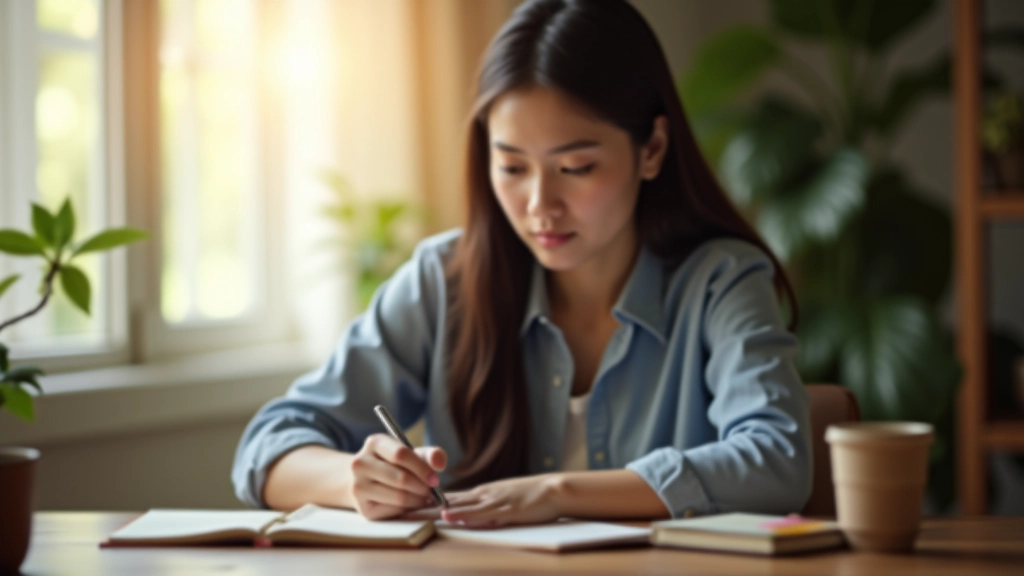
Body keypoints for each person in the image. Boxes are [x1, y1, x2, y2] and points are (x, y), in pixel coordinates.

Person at [232, 0, 812, 527]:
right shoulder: (444, 281)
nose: (540, 206)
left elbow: (777, 460)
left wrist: (557, 493)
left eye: (576, 167)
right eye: (511, 167)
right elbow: (268, 446)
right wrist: (357, 481)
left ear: (652, 149)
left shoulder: (721, 282)